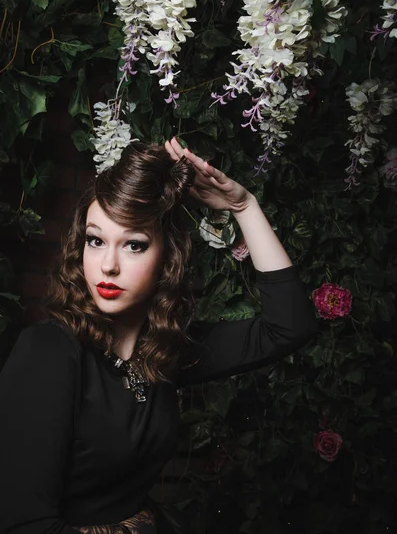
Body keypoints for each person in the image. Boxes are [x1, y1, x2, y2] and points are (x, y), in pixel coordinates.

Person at [0, 137, 318, 534]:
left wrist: (244, 207)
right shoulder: (49, 353)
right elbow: (23, 526)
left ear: (168, 258)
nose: (108, 266)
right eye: (95, 240)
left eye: (134, 245)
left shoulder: (164, 351)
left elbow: (290, 326)